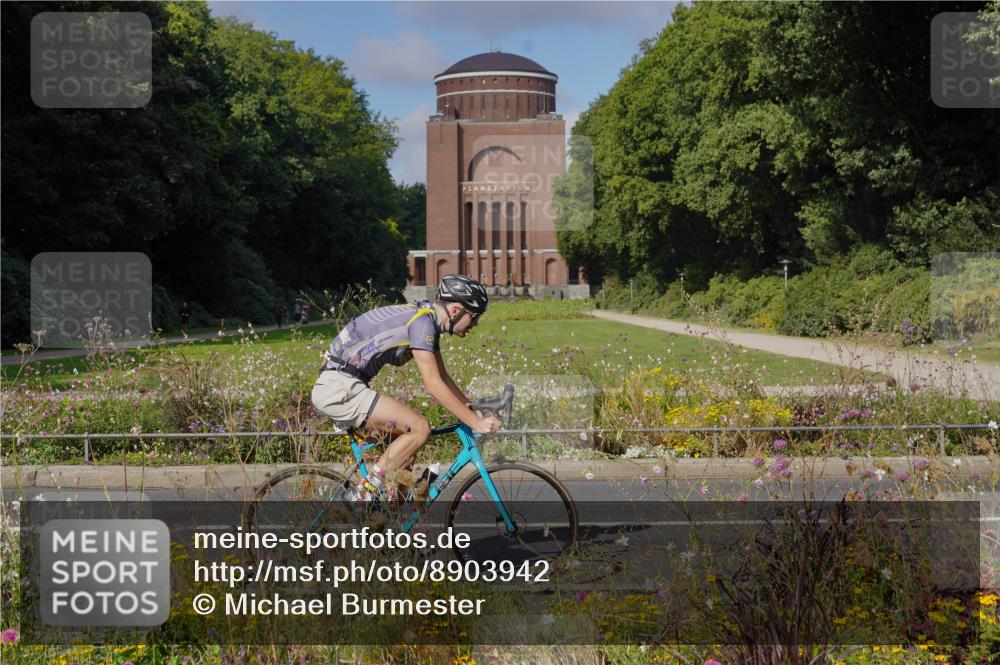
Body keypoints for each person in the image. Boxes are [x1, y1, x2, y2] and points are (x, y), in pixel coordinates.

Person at [311, 275, 502, 501]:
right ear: (455, 311)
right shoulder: (422, 323)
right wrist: (476, 423)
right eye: (474, 316)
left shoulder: (426, 318)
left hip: (344, 384)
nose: (475, 324)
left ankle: (389, 528)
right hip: (340, 386)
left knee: (405, 459)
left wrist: (471, 409)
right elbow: (433, 385)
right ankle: (363, 493)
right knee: (420, 428)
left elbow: (443, 377)